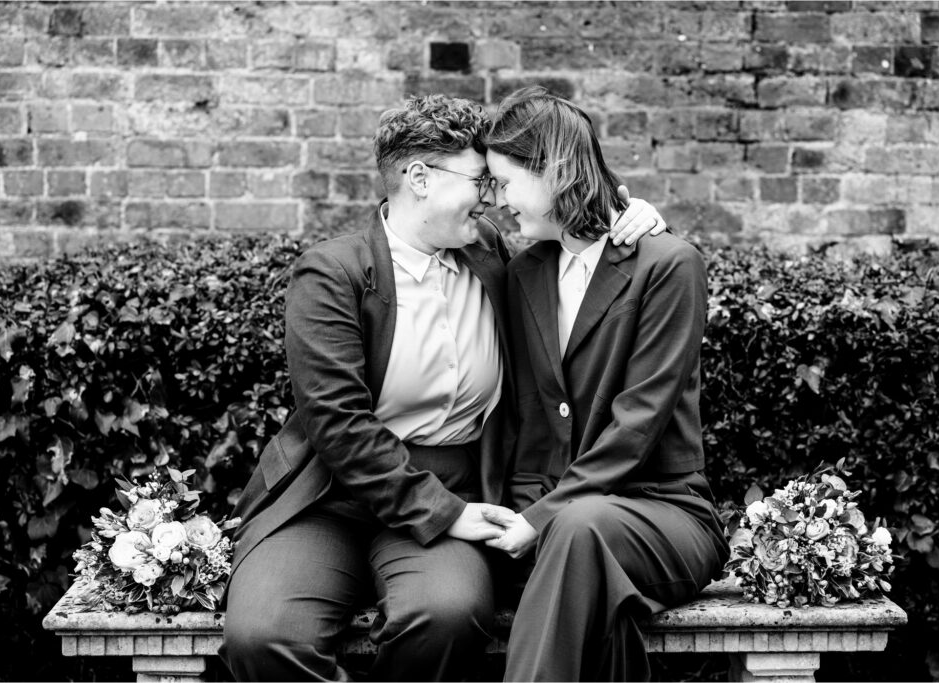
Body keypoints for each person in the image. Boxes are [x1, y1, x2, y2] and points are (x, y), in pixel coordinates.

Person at [219, 93, 665, 682]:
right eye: (481, 180)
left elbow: (581, 239)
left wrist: (636, 218)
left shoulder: (495, 257)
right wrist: (444, 514)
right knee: (264, 635)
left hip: (457, 486)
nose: (493, 199)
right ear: (420, 178)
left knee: (447, 615)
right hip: (328, 500)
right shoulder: (332, 274)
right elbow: (338, 425)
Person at [481, 86, 731, 681]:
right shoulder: (523, 273)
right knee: (574, 556)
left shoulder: (667, 266)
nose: (498, 200)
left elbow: (638, 424)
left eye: (506, 181)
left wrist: (542, 516)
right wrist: (519, 512)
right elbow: (522, 417)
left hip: (660, 511)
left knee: (575, 529)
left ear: (553, 170)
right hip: (552, 516)